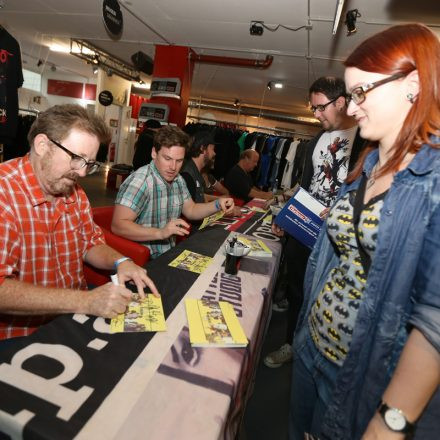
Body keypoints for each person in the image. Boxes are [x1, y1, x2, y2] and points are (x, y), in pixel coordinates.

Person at [290, 23, 440, 439]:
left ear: (412, 84)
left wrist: (392, 421)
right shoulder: (367, 166)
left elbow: (434, 322)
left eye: (361, 93)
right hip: (312, 344)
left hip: (359, 379)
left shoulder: (434, 179)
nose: (352, 108)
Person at [0, 104, 159, 342]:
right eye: (76, 158)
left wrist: (121, 261)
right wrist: (85, 301)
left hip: (74, 316)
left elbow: (90, 243)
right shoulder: (4, 194)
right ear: (42, 145)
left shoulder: (73, 191)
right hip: (23, 336)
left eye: (90, 163)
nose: (82, 173)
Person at [264, 76, 366, 368]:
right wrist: (286, 218)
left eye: (321, 107)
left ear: (341, 101)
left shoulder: (366, 141)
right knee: (297, 288)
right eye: (314, 109)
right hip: (304, 231)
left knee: (327, 294)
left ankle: (320, 352)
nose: (317, 114)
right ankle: (291, 343)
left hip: (338, 238)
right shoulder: (313, 143)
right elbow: (306, 188)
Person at [112, 125, 234, 259]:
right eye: (167, 159)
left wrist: (218, 204)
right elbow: (118, 226)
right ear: (154, 153)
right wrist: (161, 233)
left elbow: (191, 210)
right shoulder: (140, 182)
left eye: (179, 161)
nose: (173, 167)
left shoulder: (178, 180)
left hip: (168, 254)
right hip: (142, 260)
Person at [180, 131, 218, 203]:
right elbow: (191, 210)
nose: (214, 153)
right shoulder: (187, 175)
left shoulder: (196, 171)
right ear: (203, 148)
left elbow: (201, 198)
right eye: (212, 149)